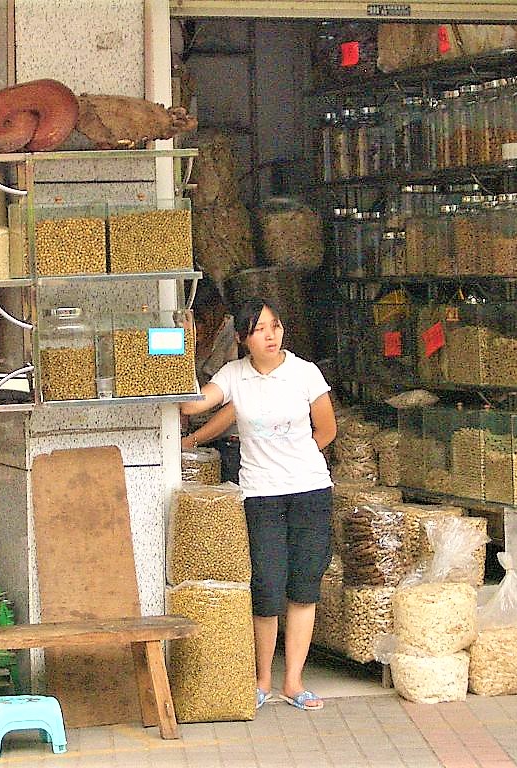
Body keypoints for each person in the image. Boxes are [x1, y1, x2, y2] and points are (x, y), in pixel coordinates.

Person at [179, 297, 337, 713]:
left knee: (304, 587)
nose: (271, 335)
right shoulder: (234, 376)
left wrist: (296, 462)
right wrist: (177, 350)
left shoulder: (305, 373)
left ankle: (294, 682)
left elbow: (327, 429)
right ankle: (261, 680)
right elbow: (192, 404)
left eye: (276, 326)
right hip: (260, 495)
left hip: (310, 492)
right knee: (267, 585)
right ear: (243, 338)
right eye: (260, 329)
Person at [182, 280, 239, 482]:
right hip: (193, 435)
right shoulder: (182, 336)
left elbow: (235, 407)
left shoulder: (233, 336)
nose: (196, 333)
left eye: (201, 322)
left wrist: (192, 440)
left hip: (227, 439)